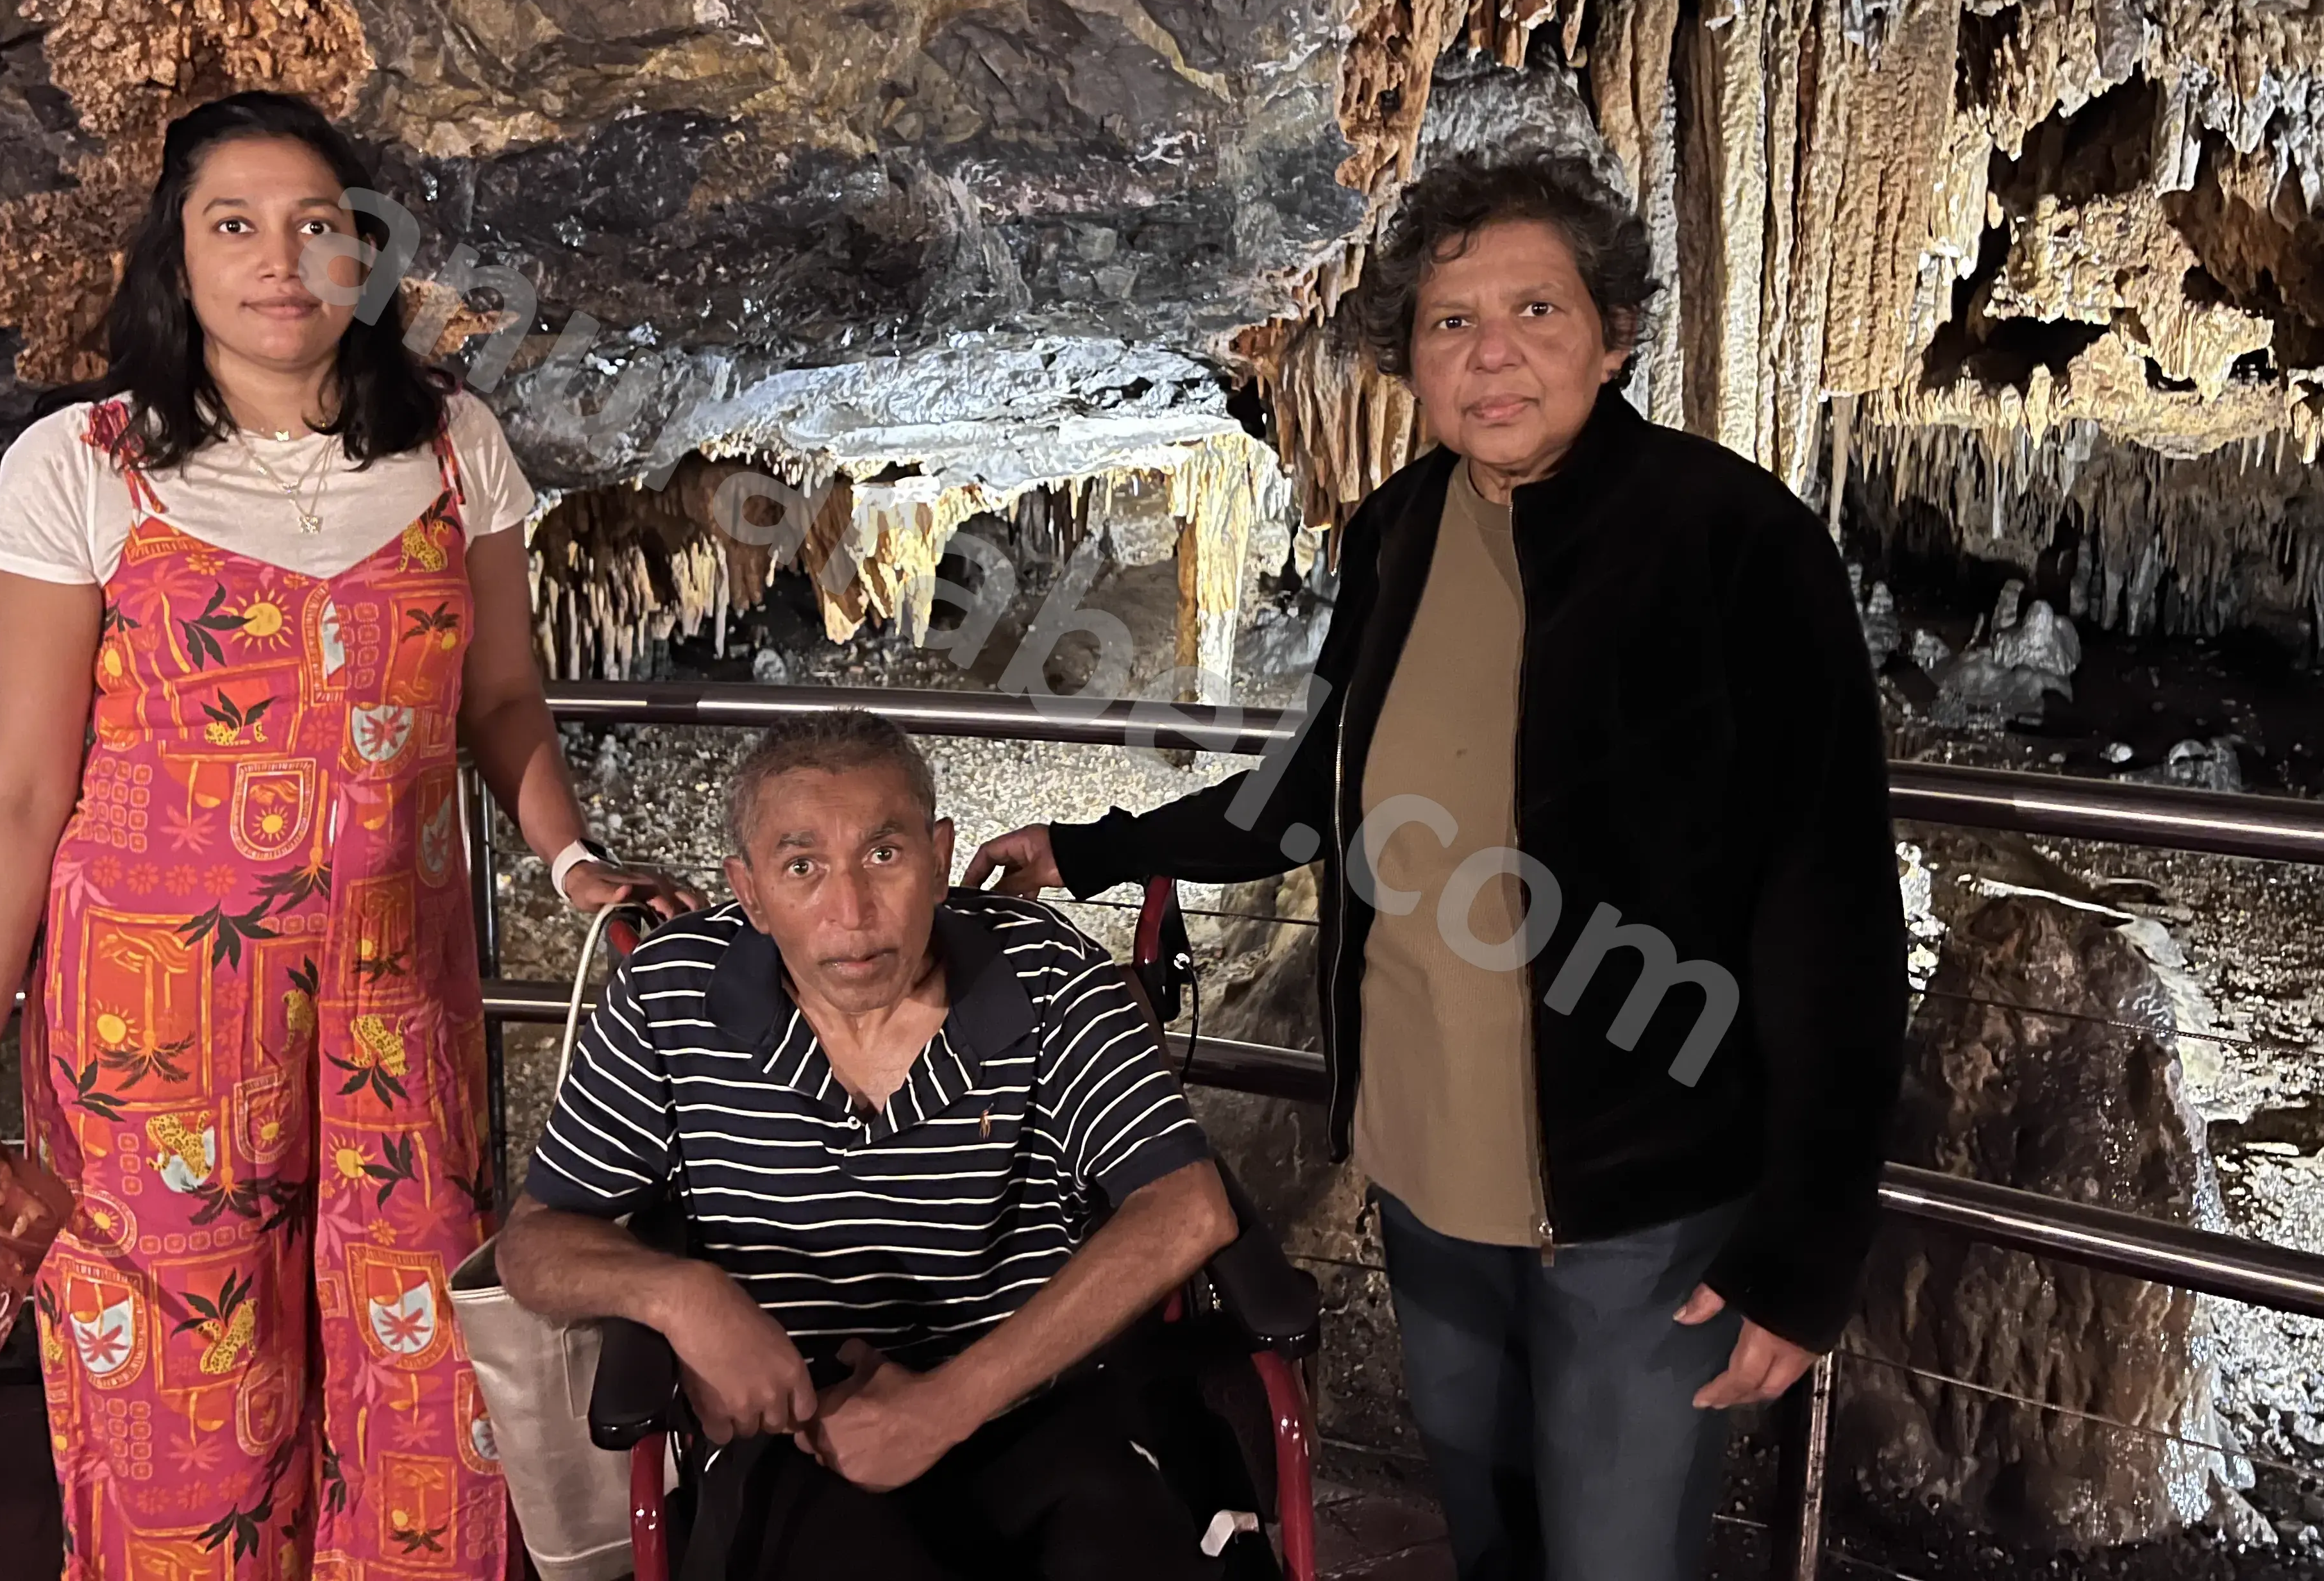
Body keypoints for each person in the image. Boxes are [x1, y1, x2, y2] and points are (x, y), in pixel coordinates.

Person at [965, 152, 1909, 1581]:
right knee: (1490, 1539)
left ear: (1615, 334)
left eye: (1536, 310)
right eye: (1451, 321)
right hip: (1423, 1179)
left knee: (1617, 1559)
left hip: (1637, 1204)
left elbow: (1830, 909)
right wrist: (1096, 849)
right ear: (1408, 357)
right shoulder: (1400, 530)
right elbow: (1318, 792)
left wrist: (1809, 1247)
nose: (1493, 354)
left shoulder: (1736, 543)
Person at [0, 89, 702, 1578]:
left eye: (315, 225)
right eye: (235, 226)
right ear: (176, 257)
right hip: (154, 1034)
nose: (280, 262)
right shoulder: (81, 463)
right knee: (181, 1394)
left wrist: (571, 859)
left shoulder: (453, 446)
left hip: (401, 1006)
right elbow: (16, 790)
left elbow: (501, 700)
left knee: (426, 1375)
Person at [496, 710, 1240, 1581]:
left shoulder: (1049, 976)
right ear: (750, 893)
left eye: (884, 855)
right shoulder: (670, 995)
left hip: (1032, 1403)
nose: (851, 914)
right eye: (802, 868)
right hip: (790, 1435)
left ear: (938, 859)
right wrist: (682, 1298)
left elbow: (1188, 1207)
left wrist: (943, 1407)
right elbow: (535, 1242)